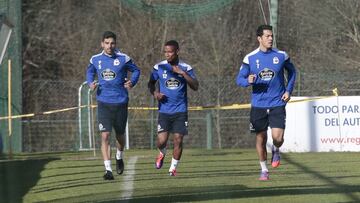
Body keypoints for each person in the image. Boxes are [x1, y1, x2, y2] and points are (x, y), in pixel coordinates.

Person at [236, 25, 296, 181]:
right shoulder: (250, 58)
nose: (270, 38)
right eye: (267, 36)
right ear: (259, 38)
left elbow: (293, 72)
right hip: (258, 105)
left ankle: (276, 149)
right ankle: (264, 170)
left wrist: (288, 90)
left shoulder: (281, 55)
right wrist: (247, 81)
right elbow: (239, 79)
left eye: (271, 36)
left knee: (277, 137)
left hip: (277, 102)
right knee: (261, 138)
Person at [86, 31, 140, 180]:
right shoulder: (95, 59)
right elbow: (89, 72)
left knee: (120, 135)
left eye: (112, 43)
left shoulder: (123, 58)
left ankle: (119, 156)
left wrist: (132, 82)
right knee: (105, 135)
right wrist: (91, 83)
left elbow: (136, 70)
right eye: (107, 43)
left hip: (121, 102)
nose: (110, 46)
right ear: (102, 43)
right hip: (103, 102)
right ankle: (108, 170)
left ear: (115, 44)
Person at [148, 40, 199, 176]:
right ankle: (162, 152)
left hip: (180, 111)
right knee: (161, 141)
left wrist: (182, 73)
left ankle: (173, 168)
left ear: (177, 51)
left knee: (178, 139)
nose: (167, 54)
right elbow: (151, 84)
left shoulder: (186, 67)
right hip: (164, 111)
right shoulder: (159, 67)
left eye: (170, 52)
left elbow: (195, 86)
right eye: (165, 52)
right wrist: (156, 94)